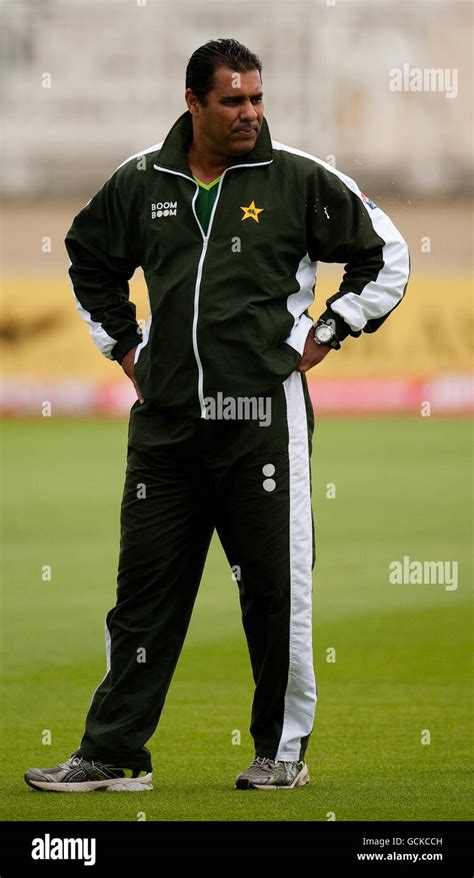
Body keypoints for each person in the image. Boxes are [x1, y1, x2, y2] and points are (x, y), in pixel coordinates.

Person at [24, 38, 410, 793]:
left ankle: (282, 755)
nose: (250, 114)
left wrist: (331, 328)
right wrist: (124, 346)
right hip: (165, 427)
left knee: (274, 592)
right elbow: (87, 254)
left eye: (257, 98)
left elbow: (387, 255)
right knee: (142, 599)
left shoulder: (296, 177)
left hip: (262, 421)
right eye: (233, 101)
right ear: (193, 101)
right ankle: (114, 755)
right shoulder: (143, 179)